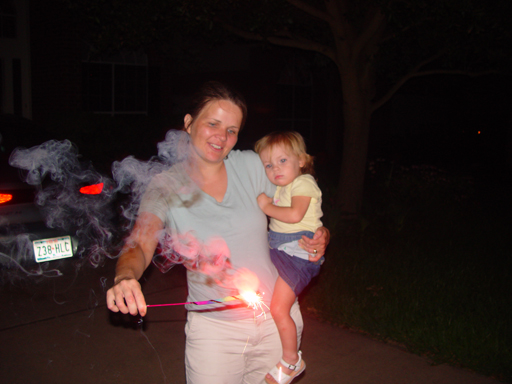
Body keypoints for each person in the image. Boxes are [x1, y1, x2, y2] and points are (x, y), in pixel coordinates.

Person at [106, 81, 329, 384]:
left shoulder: (252, 166)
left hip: (275, 321)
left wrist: (319, 233)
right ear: (188, 123)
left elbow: (301, 200)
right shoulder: (164, 185)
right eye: (213, 123)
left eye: (232, 130)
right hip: (214, 333)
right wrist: (125, 277)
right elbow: (141, 243)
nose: (222, 137)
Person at [254, 131, 323, 384]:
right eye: (268, 165)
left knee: (278, 308)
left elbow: (294, 215)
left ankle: (291, 360)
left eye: (283, 161)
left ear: (302, 161)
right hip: (281, 251)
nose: (275, 169)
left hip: (297, 252)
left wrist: (266, 206)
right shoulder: (280, 187)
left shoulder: (303, 183)